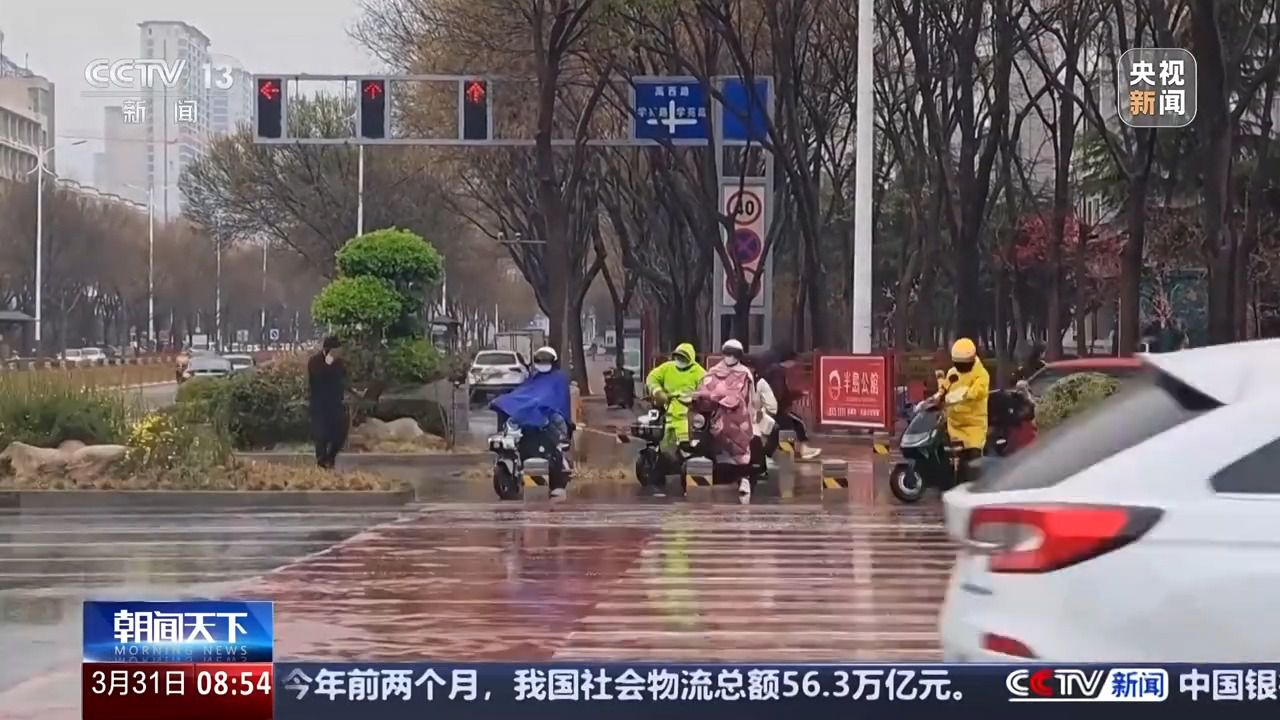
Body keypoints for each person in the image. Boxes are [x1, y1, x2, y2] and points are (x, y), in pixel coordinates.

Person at [491, 346, 574, 498]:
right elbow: (523, 392)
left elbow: (555, 399)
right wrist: (507, 401)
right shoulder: (533, 378)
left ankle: (556, 475)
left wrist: (540, 404)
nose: (542, 363)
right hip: (531, 416)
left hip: (552, 416)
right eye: (540, 360)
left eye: (545, 360)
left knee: (552, 435)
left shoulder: (559, 379)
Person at [692, 339, 756, 491]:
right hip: (715, 416)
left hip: (738, 416)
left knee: (741, 444)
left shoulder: (744, 373)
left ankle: (744, 478)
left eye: (733, 354)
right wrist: (700, 397)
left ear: (739, 356)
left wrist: (715, 396)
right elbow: (704, 388)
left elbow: (741, 396)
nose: (730, 357)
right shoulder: (714, 371)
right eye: (728, 353)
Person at [935, 337, 990, 486]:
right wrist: (940, 388)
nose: (960, 367)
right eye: (958, 363)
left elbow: (977, 392)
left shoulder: (981, 375)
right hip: (954, 424)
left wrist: (961, 395)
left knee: (973, 459)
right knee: (949, 459)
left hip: (973, 425)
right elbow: (945, 387)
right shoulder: (953, 372)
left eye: (963, 364)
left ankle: (976, 487)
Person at [757, 343, 822, 461]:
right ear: (789, 360)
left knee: (784, 428)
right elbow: (779, 391)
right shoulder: (777, 371)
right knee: (796, 424)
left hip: (772, 407)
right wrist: (792, 397)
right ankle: (798, 451)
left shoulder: (772, 369)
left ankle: (789, 452)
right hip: (775, 408)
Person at [644, 343, 706, 454]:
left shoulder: (699, 372)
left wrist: (696, 397)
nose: (680, 360)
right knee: (666, 450)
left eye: (683, 357)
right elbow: (652, 378)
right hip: (668, 416)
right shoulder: (667, 368)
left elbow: (707, 389)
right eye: (678, 356)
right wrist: (658, 392)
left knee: (687, 449)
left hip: (688, 419)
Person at [308, 336, 349, 469]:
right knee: (321, 435)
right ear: (329, 350)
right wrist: (328, 364)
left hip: (336, 404)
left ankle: (331, 457)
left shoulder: (339, 363)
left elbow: (342, 378)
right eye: (336, 350)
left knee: (340, 433)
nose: (339, 353)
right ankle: (322, 462)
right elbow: (318, 379)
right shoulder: (315, 362)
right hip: (319, 404)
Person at [743, 354, 779, 496]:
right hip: (733, 418)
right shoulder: (730, 381)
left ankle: (761, 464)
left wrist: (761, 413)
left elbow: (772, 406)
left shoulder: (760, 383)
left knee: (771, 430)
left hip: (754, 418)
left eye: (750, 367)